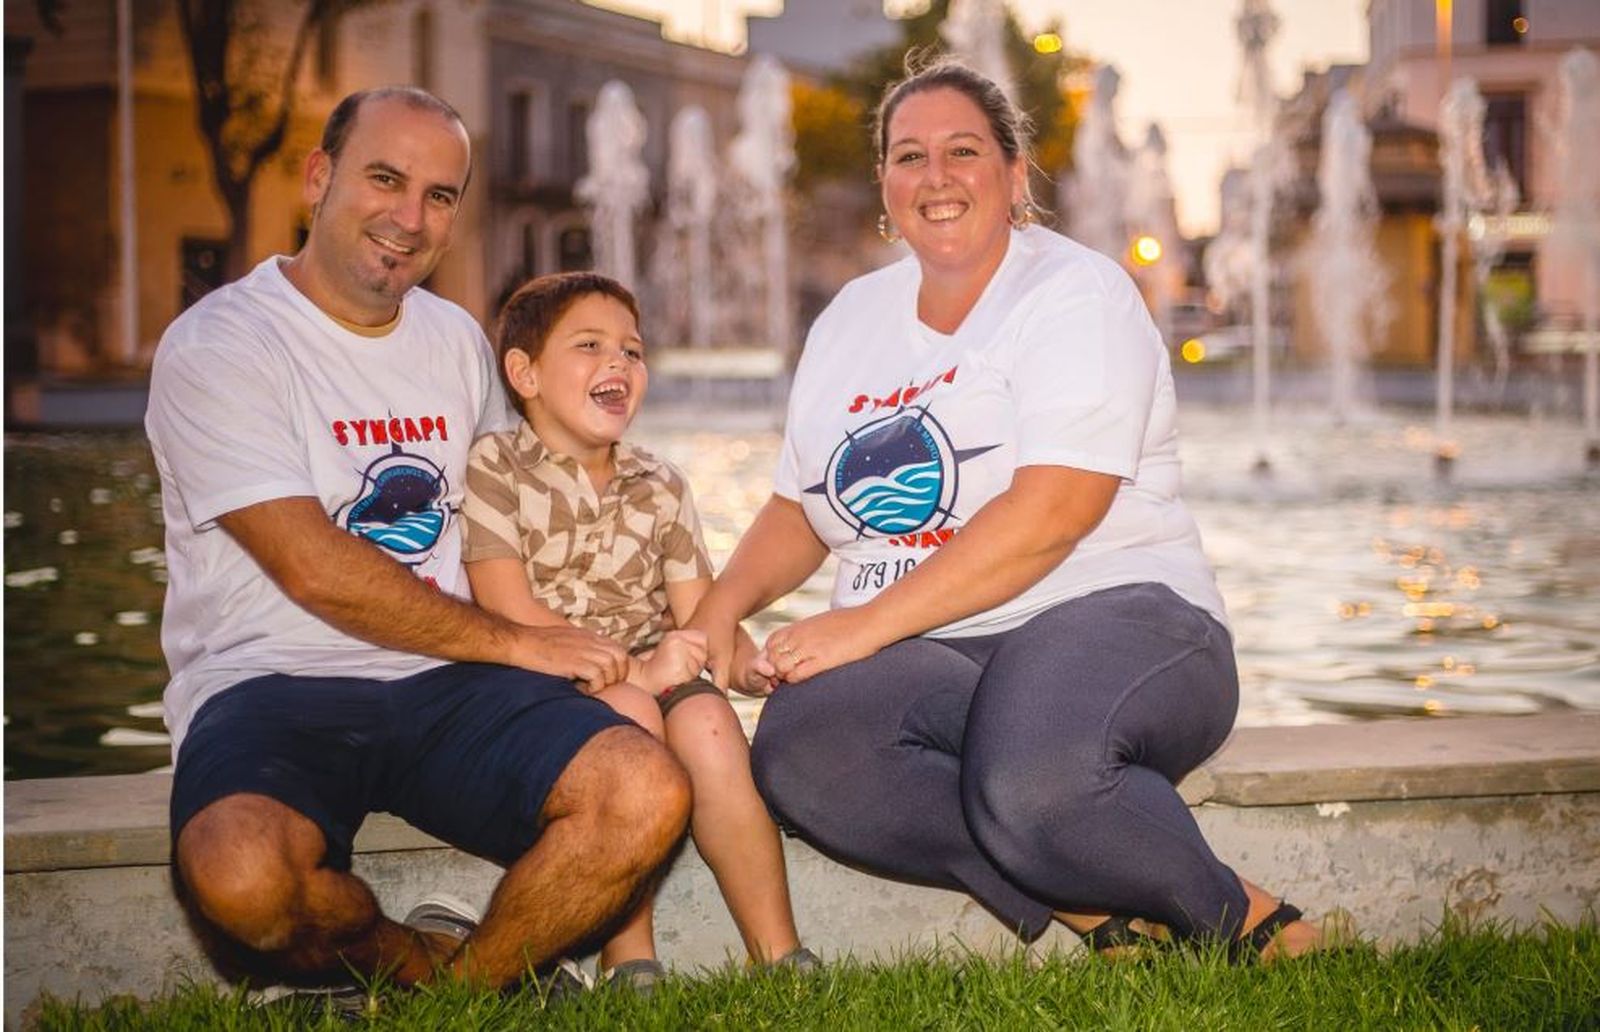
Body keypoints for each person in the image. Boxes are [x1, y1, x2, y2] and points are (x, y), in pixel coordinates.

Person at [690, 59, 1325, 960]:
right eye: (909, 156)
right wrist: (719, 611)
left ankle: (1249, 926)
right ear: (884, 183)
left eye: (963, 151)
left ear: (1015, 174)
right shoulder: (850, 318)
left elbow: (1054, 513)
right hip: (944, 649)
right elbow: (802, 507)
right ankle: (1103, 917)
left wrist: (862, 627)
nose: (936, 177)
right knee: (805, 749)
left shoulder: (1076, 292)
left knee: (1036, 781)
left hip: (1117, 613)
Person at [145, 86, 690, 998]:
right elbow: (312, 567)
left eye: (440, 195)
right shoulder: (220, 344)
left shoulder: (453, 339)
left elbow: (509, 510)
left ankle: (467, 994)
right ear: (319, 178)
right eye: (385, 179)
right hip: (272, 680)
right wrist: (520, 643)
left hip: (445, 682)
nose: (410, 217)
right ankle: (408, 958)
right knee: (240, 879)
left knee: (646, 791)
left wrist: (640, 614)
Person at [461, 271, 815, 991]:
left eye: (632, 350)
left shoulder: (660, 483)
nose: (618, 364)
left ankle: (779, 955)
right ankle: (631, 958)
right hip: (544, 686)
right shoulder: (494, 468)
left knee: (713, 725)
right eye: (589, 346)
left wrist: (748, 663)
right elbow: (507, 607)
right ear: (524, 372)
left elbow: (698, 609)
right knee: (628, 718)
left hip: (652, 671)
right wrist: (634, 672)